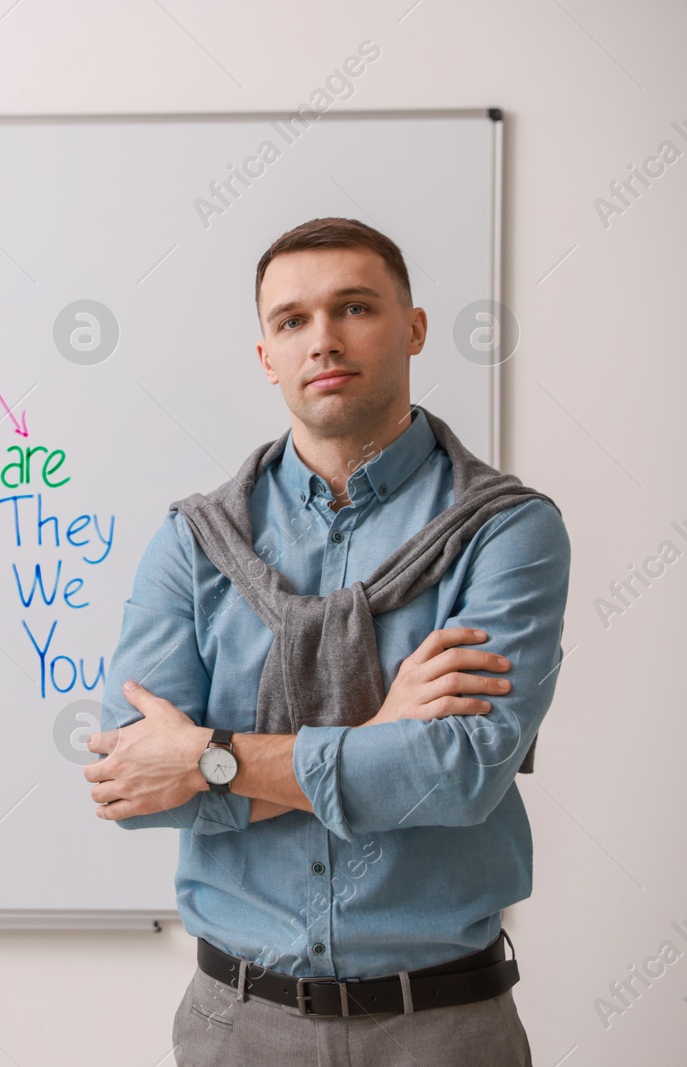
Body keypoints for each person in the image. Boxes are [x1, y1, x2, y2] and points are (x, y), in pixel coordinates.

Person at [82, 217, 569, 1066]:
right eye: (292, 320)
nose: (325, 340)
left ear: (413, 328)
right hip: (234, 1023)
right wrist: (381, 740)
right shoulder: (195, 542)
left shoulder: (505, 531)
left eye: (354, 307)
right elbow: (134, 782)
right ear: (266, 353)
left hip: (443, 1025)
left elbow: (460, 774)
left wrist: (208, 755)